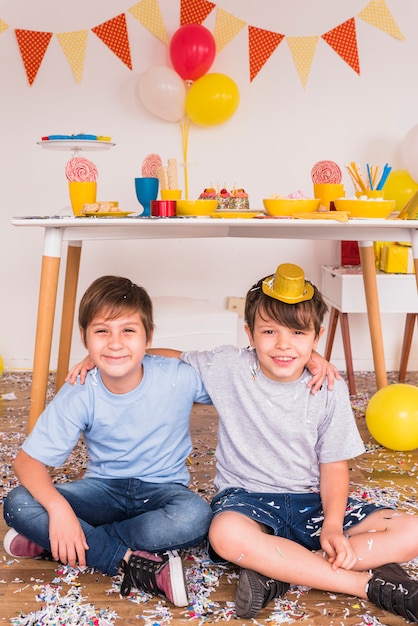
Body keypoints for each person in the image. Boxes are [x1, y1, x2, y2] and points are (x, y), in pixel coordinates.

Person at [174, 262, 418, 622]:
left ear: (316, 338)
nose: (283, 344)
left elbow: (333, 465)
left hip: (312, 505)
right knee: (225, 533)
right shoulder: (229, 367)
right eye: (269, 331)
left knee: (411, 531)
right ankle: (362, 584)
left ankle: (280, 573)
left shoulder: (327, 387)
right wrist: (110, 355)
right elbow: (169, 363)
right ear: (250, 334)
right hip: (248, 502)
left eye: (297, 334)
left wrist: (333, 525)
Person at [3, 275, 214, 607]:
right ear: (85, 337)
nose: (115, 344)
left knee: (196, 517)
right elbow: (26, 462)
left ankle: (61, 543)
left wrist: (311, 359)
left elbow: (236, 371)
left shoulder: (177, 376)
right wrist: (59, 511)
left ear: (148, 337)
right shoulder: (81, 388)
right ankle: (136, 563)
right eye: (102, 331)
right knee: (18, 503)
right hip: (103, 490)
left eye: (128, 331)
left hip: (163, 493)